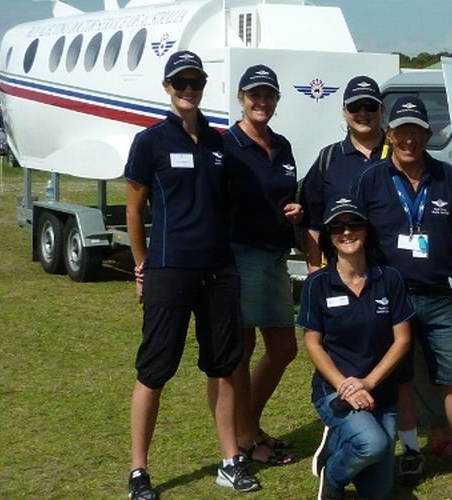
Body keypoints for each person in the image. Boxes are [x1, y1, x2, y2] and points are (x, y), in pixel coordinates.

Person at [123, 50, 258, 499]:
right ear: (167, 87)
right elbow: (134, 210)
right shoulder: (150, 141)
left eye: (195, 82)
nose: (188, 90)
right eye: (180, 82)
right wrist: (141, 264)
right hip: (169, 270)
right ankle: (139, 471)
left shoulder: (219, 143)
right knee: (155, 370)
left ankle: (229, 461)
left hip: (219, 271)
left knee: (223, 366)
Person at [350, 96, 452, 489]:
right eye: (401, 132)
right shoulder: (371, 179)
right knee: (403, 380)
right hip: (392, 300)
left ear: (428, 135)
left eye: (416, 131)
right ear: (389, 135)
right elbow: (352, 235)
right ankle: (411, 451)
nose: (408, 139)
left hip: (438, 295)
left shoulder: (447, 176)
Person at [302, 201, 414, 500]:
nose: (347, 232)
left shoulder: (389, 278)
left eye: (354, 224)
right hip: (335, 391)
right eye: (337, 227)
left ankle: (340, 444)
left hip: (380, 391)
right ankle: (332, 475)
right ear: (329, 237)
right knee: (373, 445)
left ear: (367, 231)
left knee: (378, 493)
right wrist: (345, 387)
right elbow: (312, 343)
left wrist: (368, 383)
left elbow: (402, 340)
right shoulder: (317, 283)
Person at [220, 63, 300, 466]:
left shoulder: (281, 145)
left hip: (276, 257)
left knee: (284, 349)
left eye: (269, 95)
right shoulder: (226, 144)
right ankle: (247, 436)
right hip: (241, 255)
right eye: (255, 95)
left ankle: (247, 424)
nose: (262, 102)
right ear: (241, 98)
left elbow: (284, 193)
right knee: (243, 347)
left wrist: (296, 210)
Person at [299, 75, 389, 275]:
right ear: (344, 112)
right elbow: (312, 223)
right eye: (355, 107)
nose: (363, 113)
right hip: (341, 275)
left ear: (382, 110)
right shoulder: (328, 158)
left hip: (391, 272)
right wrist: (315, 271)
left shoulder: (399, 156)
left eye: (370, 106)